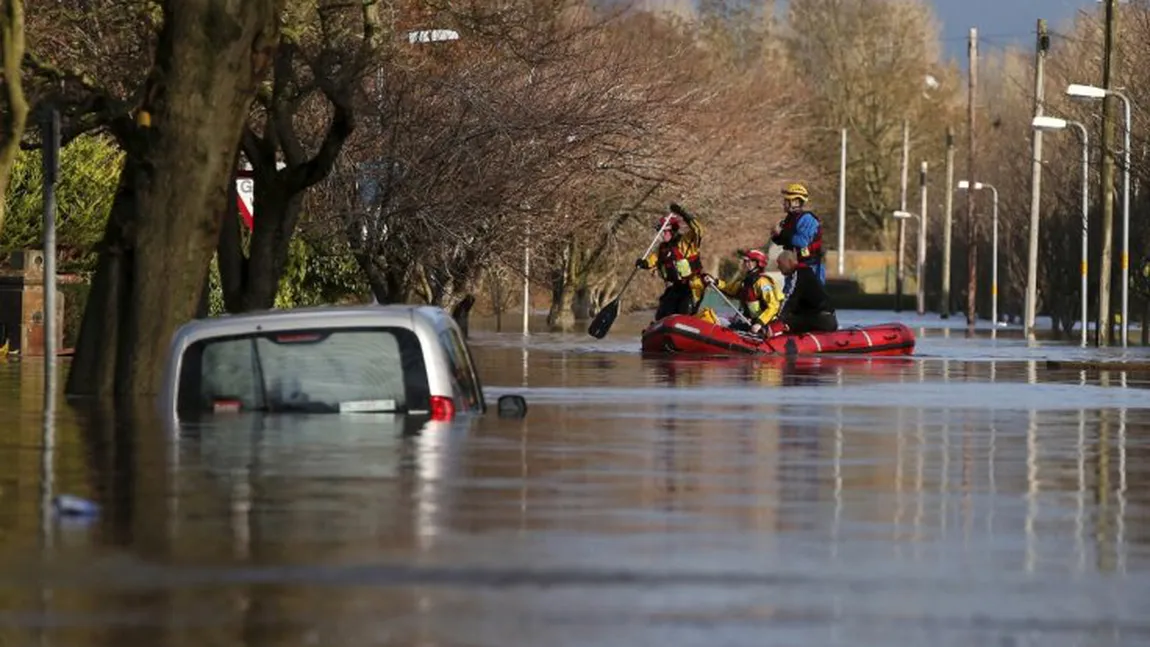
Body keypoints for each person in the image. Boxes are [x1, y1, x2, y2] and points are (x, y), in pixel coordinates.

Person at [636, 203, 706, 320]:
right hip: (675, 287)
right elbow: (652, 260)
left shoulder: (686, 241)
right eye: (661, 232)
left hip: (692, 286)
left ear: (672, 231)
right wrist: (643, 263)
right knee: (662, 315)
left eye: (664, 232)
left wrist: (682, 213)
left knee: (684, 313)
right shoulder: (662, 248)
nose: (662, 235)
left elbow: (699, 229)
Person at [703, 249, 782, 336]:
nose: (744, 264)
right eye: (744, 261)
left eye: (747, 261)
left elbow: (773, 306)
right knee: (720, 321)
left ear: (756, 263)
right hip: (751, 322)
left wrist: (760, 323)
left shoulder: (762, 282)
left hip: (765, 324)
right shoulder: (746, 282)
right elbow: (730, 289)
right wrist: (715, 282)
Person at [766, 250, 837, 336]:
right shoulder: (806, 272)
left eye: (780, 263)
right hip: (827, 318)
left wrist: (777, 321)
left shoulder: (798, 274)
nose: (778, 267)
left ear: (790, 262)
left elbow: (789, 300)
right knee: (791, 318)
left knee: (786, 321)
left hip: (821, 319)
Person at [770, 182, 826, 291]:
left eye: (786, 201)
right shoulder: (789, 219)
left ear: (795, 202)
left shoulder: (807, 219)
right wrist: (777, 236)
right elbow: (786, 240)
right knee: (789, 296)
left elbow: (802, 242)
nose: (783, 204)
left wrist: (782, 232)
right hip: (794, 267)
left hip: (810, 267)